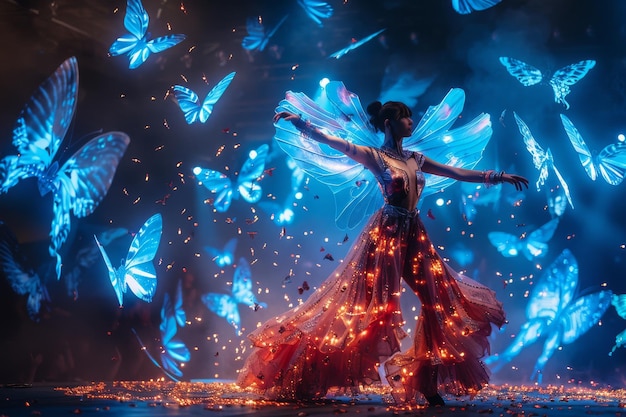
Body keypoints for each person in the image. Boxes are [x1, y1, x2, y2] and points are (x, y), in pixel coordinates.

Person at [236, 94, 529, 406]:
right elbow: (335, 143)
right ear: (389, 123)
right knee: (367, 307)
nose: (411, 122)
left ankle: (428, 381)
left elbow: (455, 173)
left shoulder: (416, 159)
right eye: (405, 117)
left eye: (410, 117)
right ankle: (305, 368)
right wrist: (302, 124)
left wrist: (497, 177)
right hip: (387, 235)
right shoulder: (375, 157)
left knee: (437, 300)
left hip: (414, 233)